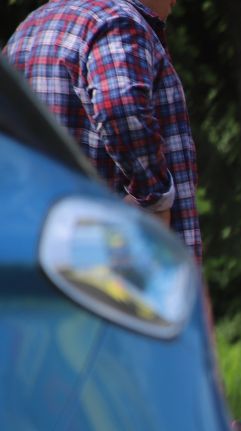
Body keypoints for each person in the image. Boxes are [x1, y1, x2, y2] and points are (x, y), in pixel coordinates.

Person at [5, 0, 200, 261]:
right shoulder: (116, 21)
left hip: (35, 257)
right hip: (111, 266)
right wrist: (153, 197)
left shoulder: (29, 28)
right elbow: (120, 107)